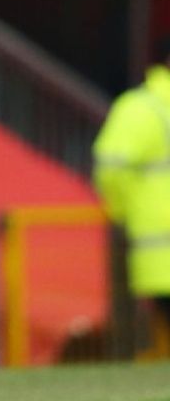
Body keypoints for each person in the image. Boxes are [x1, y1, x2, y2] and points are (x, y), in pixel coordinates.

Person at [93, 37, 170, 346]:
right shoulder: (143, 108)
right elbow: (112, 168)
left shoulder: (142, 108)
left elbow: (110, 169)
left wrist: (123, 212)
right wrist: (124, 213)